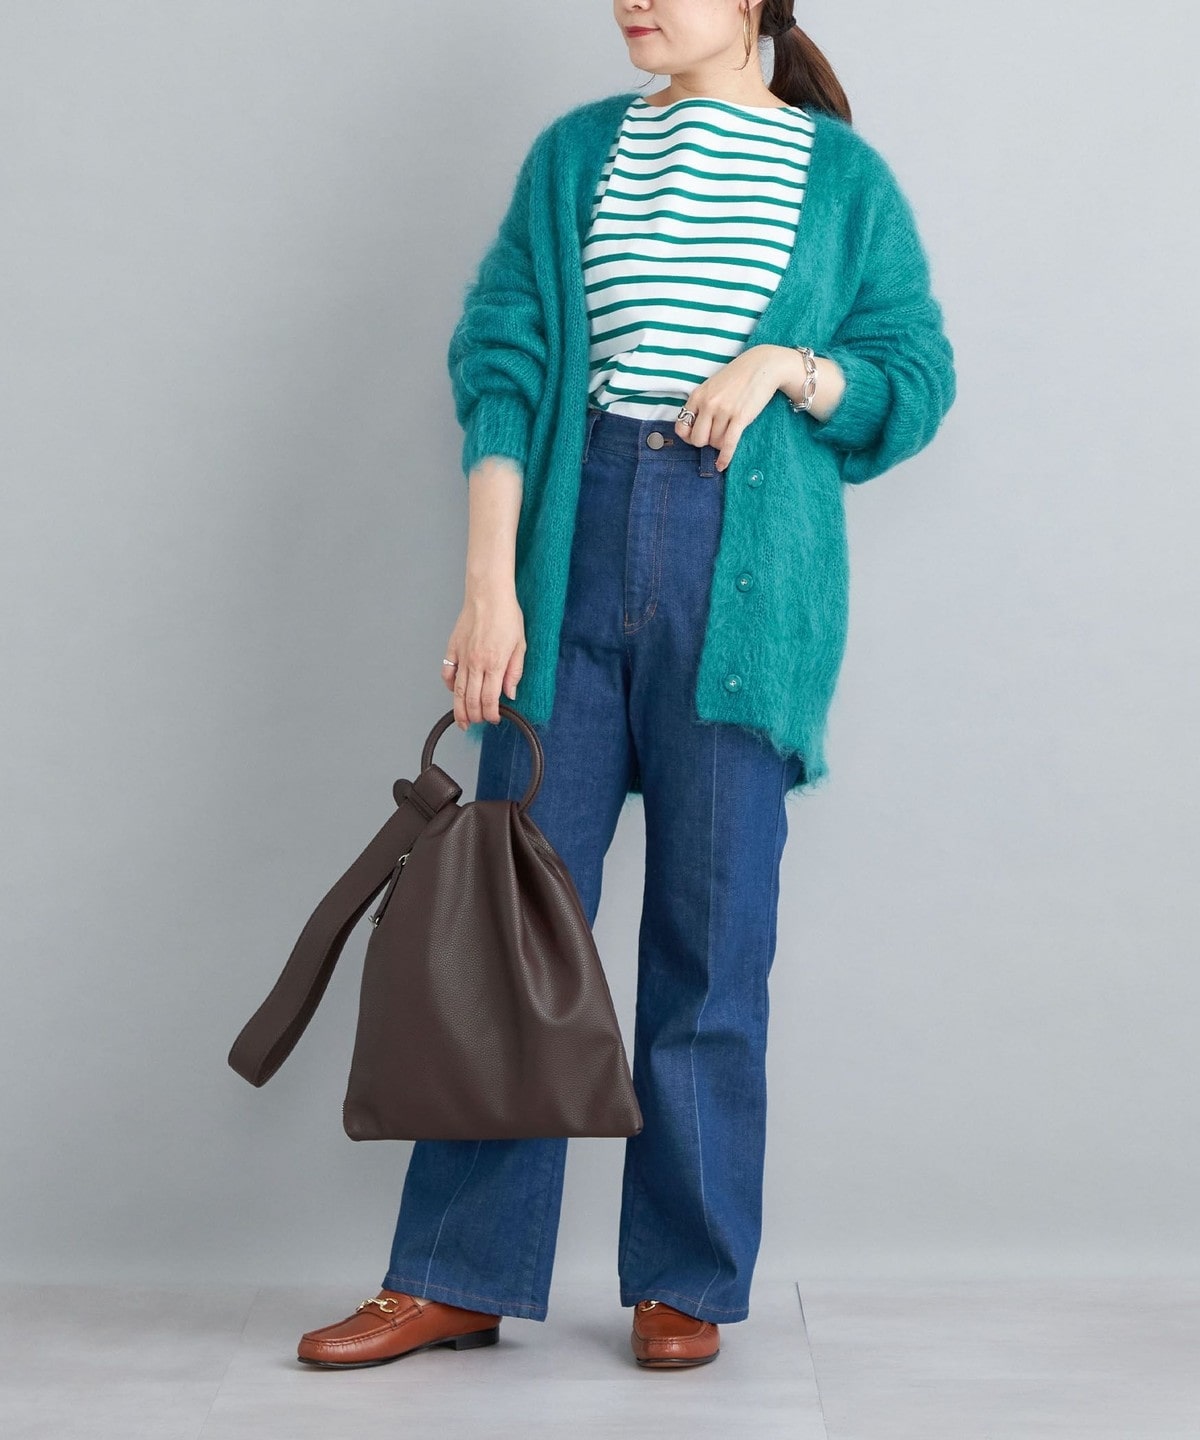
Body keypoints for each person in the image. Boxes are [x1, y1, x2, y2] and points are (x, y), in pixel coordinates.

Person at [297, 0, 956, 1372]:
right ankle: (456, 1273)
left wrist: (791, 367)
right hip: (568, 559)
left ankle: (686, 1281)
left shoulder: (841, 179)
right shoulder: (576, 156)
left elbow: (914, 381)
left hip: (744, 585)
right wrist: (491, 587)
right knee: (513, 935)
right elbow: (504, 362)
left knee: (713, 950)